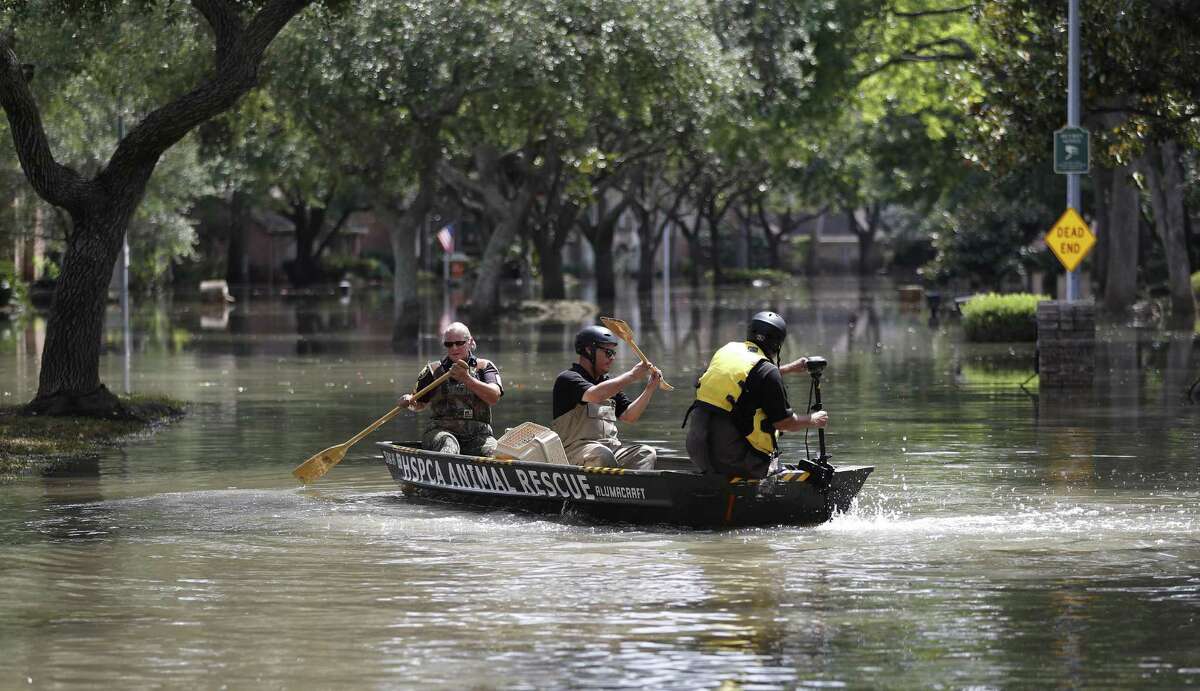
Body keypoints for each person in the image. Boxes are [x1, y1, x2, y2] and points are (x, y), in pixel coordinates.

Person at [683, 311, 828, 479]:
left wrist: (788, 369)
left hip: (698, 453)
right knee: (774, 461)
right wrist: (814, 419)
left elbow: (748, 379)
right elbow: (785, 423)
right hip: (732, 461)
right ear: (777, 345)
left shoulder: (726, 351)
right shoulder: (768, 372)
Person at [551, 325, 662, 470]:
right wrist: (632, 376)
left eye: (613, 353)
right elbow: (594, 395)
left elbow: (629, 416)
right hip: (575, 452)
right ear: (588, 350)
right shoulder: (568, 379)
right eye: (608, 352)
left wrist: (650, 389)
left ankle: (636, 490)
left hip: (610, 450)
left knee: (646, 453)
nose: (612, 358)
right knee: (602, 455)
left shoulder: (606, 383)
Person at [399, 322, 503, 456]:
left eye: (459, 343)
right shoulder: (433, 370)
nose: (454, 348)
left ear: (470, 342)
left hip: (479, 435)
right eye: (449, 344)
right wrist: (408, 401)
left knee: (497, 454)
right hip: (441, 432)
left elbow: (494, 397)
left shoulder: (485, 367)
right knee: (449, 445)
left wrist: (467, 379)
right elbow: (418, 404)